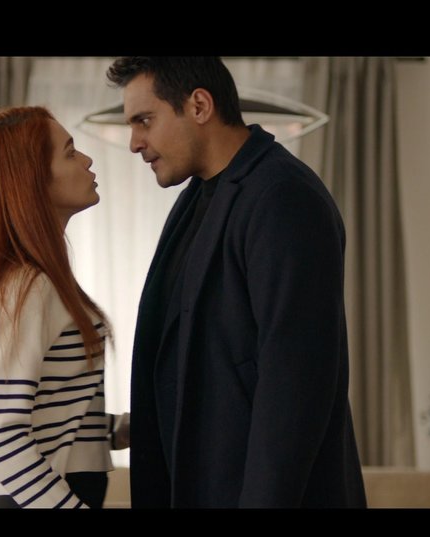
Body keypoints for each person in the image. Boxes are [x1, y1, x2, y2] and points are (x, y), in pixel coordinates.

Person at [107, 57, 366, 508]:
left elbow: (294, 389)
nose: (135, 143)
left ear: (200, 106)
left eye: (144, 121)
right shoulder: (197, 199)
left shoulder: (284, 196)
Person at [0, 106, 129, 509]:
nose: (87, 160)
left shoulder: (41, 280)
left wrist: (121, 428)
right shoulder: (30, 287)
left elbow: (52, 416)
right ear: (31, 180)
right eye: (70, 153)